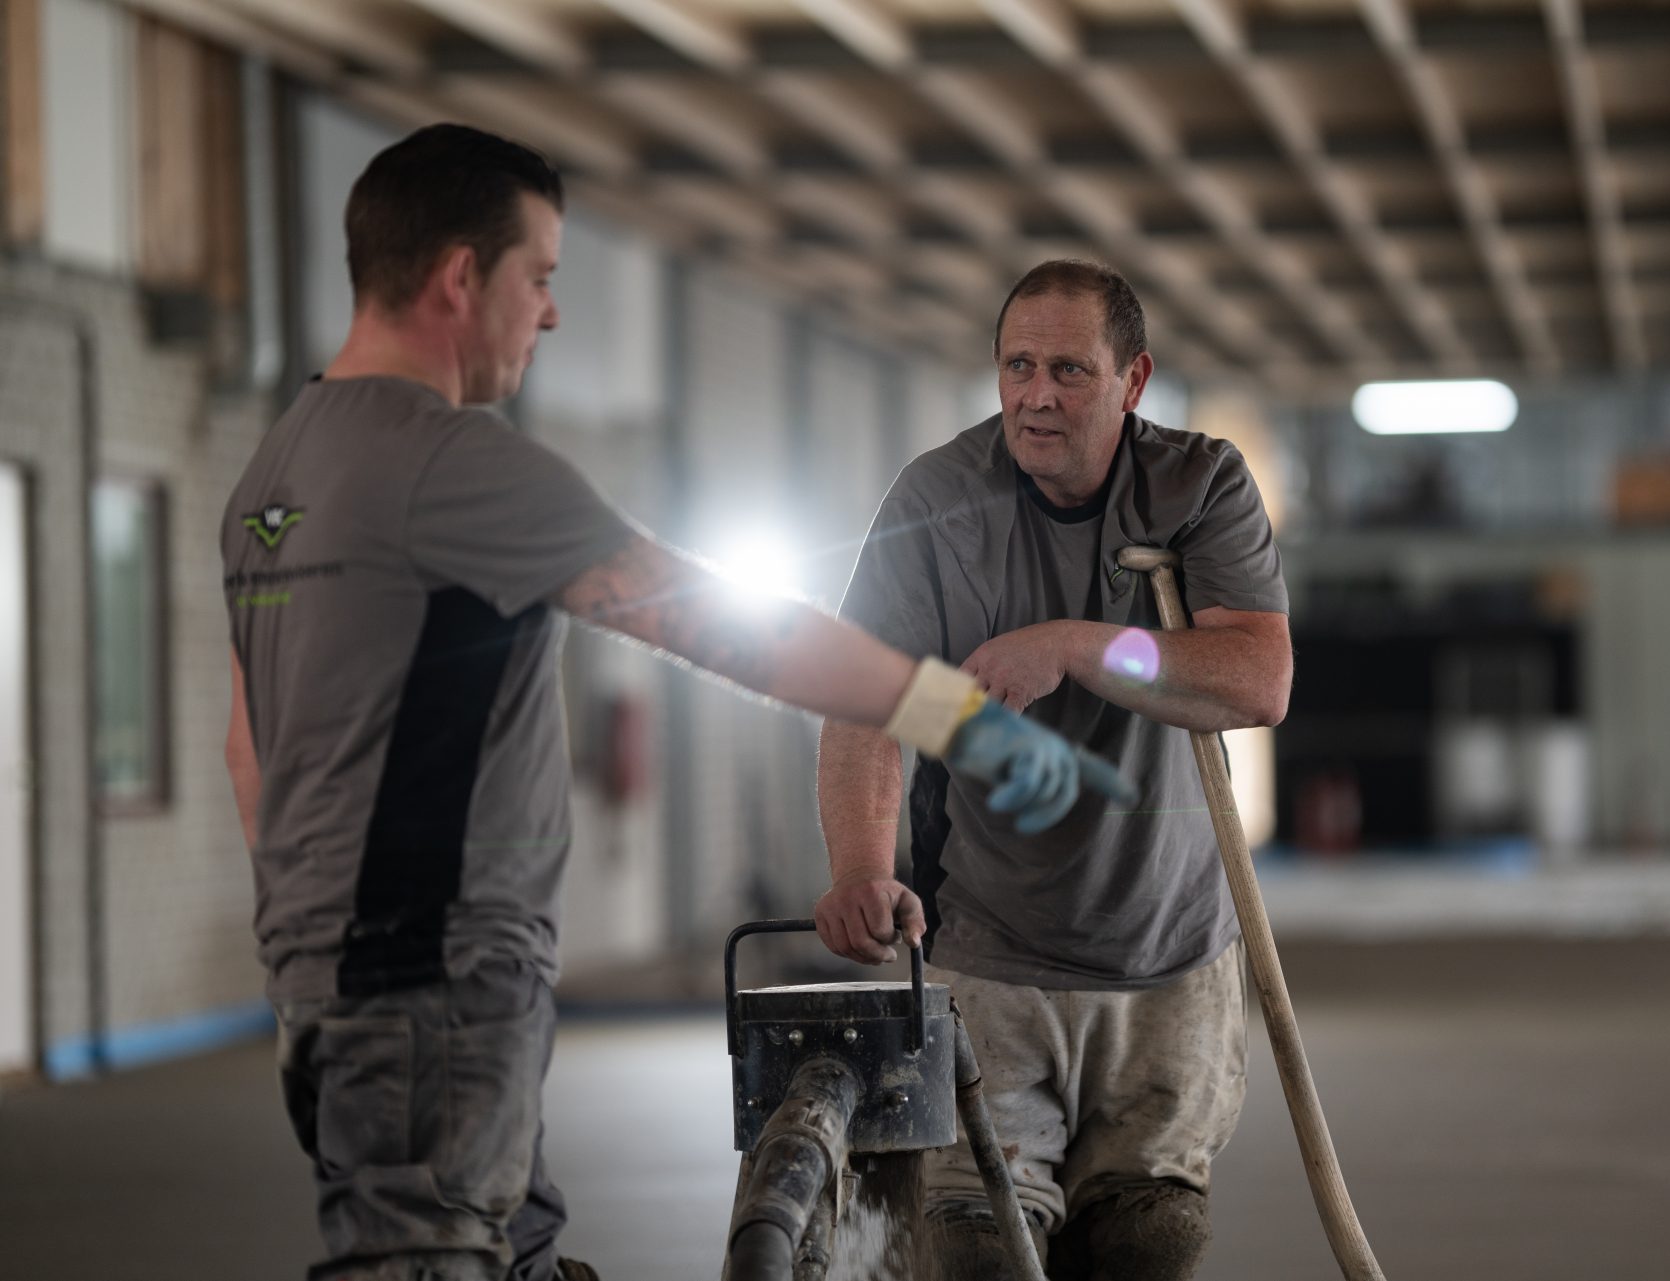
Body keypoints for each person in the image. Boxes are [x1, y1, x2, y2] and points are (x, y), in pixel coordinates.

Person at [219, 125, 1128, 1281]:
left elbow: (251, 748)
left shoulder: (275, 471)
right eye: (539, 277)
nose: (548, 313)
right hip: (433, 989)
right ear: (460, 277)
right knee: (430, 1258)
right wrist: (954, 717)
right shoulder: (451, 462)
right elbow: (706, 617)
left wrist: (312, 951)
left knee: (512, 1251)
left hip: (328, 989)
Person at [813, 259, 1294, 1280]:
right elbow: (871, 704)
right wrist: (861, 865)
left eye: (1070, 370)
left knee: (1143, 1239)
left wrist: (1077, 646)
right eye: (1017, 365)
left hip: (1169, 955)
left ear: (1134, 378)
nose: (1037, 395)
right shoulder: (941, 501)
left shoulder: (1197, 484)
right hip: (992, 946)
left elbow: (1257, 679)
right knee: (983, 1241)